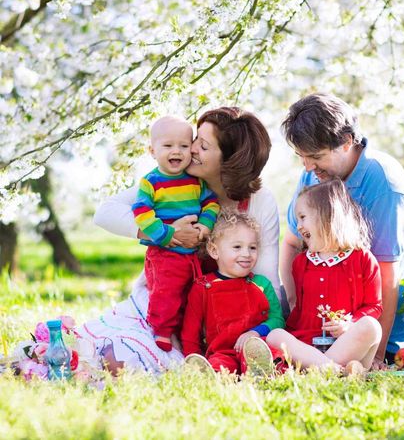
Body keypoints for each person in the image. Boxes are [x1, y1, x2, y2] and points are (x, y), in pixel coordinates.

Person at [78, 107, 281, 374]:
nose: (191, 149)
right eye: (196, 139)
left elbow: (266, 279)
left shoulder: (259, 202)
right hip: (165, 307)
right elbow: (105, 212)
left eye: (203, 146)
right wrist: (165, 233)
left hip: (224, 314)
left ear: (228, 161)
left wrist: (267, 329)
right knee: (112, 362)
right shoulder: (173, 180)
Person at [279, 93, 404, 368]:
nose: (308, 167)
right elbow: (291, 242)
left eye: (316, 157)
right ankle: (321, 365)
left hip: (375, 330)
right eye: (302, 157)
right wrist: (295, 304)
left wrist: (378, 354)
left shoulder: (385, 184)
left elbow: (386, 274)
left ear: (346, 142)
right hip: (316, 328)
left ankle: (320, 367)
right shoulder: (314, 174)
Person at [267, 179, 382, 374]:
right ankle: (336, 370)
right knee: (275, 335)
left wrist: (350, 323)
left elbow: (375, 306)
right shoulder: (301, 263)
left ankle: (318, 369)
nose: (299, 226)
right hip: (308, 346)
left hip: (347, 344)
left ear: (326, 216)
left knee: (371, 327)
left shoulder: (362, 258)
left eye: (302, 217)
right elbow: (300, 311)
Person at [132, 115, 220, 352]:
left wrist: (205, 225)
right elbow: (141, 211)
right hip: (164, 253)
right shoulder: (151, 182)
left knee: (191, 293)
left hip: (191, 255)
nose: (177, 152)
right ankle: (161, 328)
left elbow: (211, 203)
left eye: (183, 145)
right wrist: (166, 235)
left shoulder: (195, 181)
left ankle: (186, 333)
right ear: (152, 150)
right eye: (168, 146)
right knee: (166, 292)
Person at [181, 210, 284, 375]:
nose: (246, 254)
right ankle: (209, 375)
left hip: (257, 347)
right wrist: (192, 358)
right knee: (220, 366)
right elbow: (190, 332)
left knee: (269, 356)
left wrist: (256, 332)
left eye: (252, 247)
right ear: (214, 251)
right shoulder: (203, 286)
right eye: (237, 247)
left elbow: (277, 320)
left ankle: (261, 371)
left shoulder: (261, 284)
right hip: (222, 352)